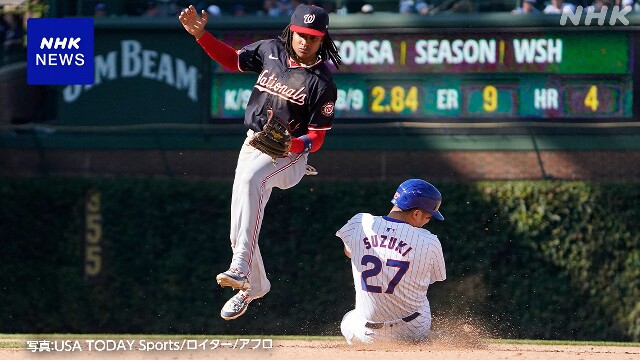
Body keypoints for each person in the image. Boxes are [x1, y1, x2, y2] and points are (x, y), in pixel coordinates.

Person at [179, 4, 341, 320]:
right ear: (292, 32)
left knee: (254, 181)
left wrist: (293, 144)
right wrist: (201, 36)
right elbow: (232, 60)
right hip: (253, 144)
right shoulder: (270, 51)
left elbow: (317, 138)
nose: (305, 42)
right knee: (239, 224)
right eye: (301, 35)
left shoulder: (322, 83)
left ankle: (239, 266)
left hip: (289, 156)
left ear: (322, 40)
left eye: (313, 37)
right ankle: (255, 286)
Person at [337, 179, 446, 344]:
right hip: (413, 330)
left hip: (366, 336)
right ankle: (427, 339)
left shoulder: (360, 222)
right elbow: (434, 278)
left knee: (349, 318)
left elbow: (349, 252)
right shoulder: (429, 241)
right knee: (420, 297)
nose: (426, 222)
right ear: (416, 213)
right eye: (428, 217)